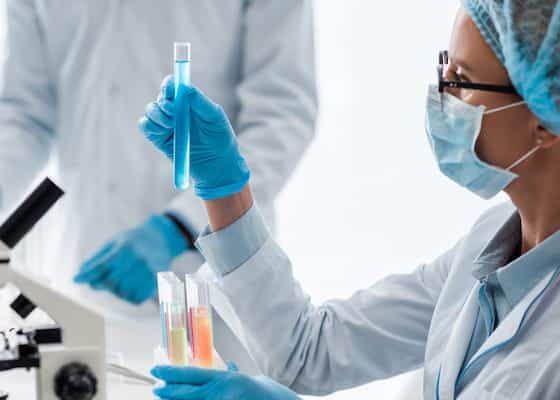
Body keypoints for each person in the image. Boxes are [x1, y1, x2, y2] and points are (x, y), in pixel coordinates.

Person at [138, 0, 560, 399]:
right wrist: (224, 185)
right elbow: (307, 350)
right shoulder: (486, 248)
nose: (442, 97)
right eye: (444, 71)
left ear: (544, 119)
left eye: (463, 82)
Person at [0, 1, 316, 318]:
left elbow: (282, 115)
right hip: (85, 271)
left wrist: (180, 225)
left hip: (214, 284)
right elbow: (24, 115)